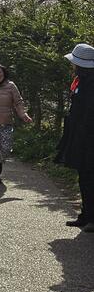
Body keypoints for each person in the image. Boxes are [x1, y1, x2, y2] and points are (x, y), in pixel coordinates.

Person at [56, 43, 94, 232]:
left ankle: (91, 218)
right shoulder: (82, 80)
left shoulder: (90, 84)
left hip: (88, 138)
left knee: (88, 178)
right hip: (81, 136)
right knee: (84, 177)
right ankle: (86, 215)